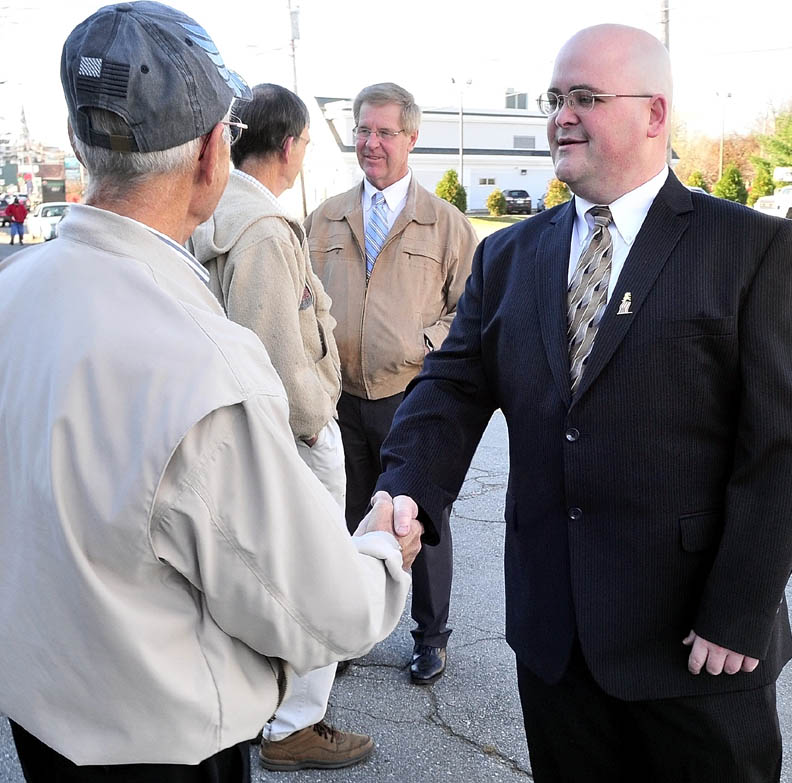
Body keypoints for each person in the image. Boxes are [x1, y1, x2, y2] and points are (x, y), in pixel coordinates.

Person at [0, 4, 422, 782]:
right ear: (208, 154)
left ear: (78, 142)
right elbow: (316, 606)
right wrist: (383, 554)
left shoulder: (15, 290)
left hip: (38, 716)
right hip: (157, 740)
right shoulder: (201, 364)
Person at [375, 24, 792, 783]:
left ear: (655, 114)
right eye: (554, 99)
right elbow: (453, 386)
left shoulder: (752, 249)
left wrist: (739, 608)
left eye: (586, 98)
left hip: (699, 647)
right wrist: (406, 487)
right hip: (556, 643)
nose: (560, 116)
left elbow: (783, 443)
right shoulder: (507, 255)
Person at [190, 83, 371, 771]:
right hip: (292, 437)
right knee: (316, 577)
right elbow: (271, 351)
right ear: (291, 144)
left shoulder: (219, 209)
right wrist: (319, 423)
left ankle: (275, 711)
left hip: (247, 434)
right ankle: (294, 724)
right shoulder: (261, 227)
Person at [305, 82, 477, 685]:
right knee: (344, 516)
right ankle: (351, 630)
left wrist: (420, 348)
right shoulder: (323, 218)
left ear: (411, 137)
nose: (371, 142)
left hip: (412, 396)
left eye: (384, 132)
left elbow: (468, 313)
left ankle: (430, 637)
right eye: (362, 130)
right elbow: (300, 303)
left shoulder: (447, 225)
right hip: (339, 397)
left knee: (417, 517)